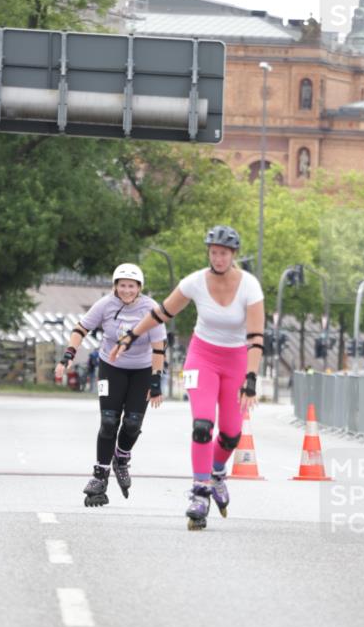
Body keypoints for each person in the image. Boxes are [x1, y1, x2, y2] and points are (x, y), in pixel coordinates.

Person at [110, 225, 264, 530]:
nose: (218, 258)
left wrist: (251, 378)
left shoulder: (249, 286)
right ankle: (200, 492)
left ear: (233, 255)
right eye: (214, 252)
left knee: (232, 434)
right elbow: (161, 313)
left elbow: (256, 336)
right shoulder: (194, 282)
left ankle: (218, 471)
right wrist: (130, 336)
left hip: (235, 360)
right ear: (209, 253)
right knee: (203, 425)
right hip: (202, 358)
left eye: (224, 253)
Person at [55, 263, 166, 507]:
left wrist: (156, 379)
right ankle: (100, 477)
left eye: (131, 286)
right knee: (108, 421)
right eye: (122, 285)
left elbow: (159, 345)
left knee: (133, 424)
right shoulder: (105, 305)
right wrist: (68, 355)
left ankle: (122, 457)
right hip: (111, 367)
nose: (127, 290)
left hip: (142, 370)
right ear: (115, 287)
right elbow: (81, 328)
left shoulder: (150, 308)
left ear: (139, 288)